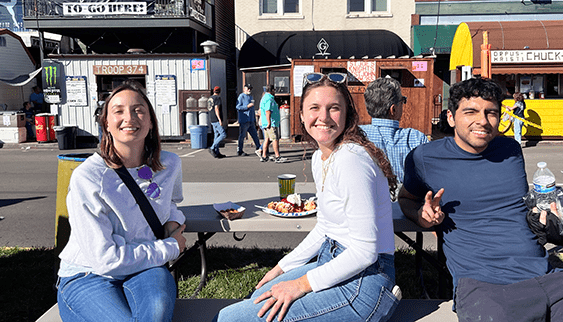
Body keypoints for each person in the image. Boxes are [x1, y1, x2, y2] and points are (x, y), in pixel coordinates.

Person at [398, 77, 563, 322]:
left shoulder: (511, 150)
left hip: (548, 276)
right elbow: (406, 198)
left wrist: (546, 218)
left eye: (491, 112)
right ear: (450, 117)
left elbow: (520, 205)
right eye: (470, 111)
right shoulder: (424, 158)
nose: (482, 121)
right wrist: (422, 215)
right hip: (485, 287)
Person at [213, 72, 401, 322]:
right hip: (334, 263)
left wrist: (300, 284)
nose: (323, 117)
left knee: (230, 319)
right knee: (255, 298)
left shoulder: (350, 159)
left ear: (347, 115)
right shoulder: (320, 157)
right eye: (314, 108)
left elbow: (365, 252)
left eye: (333, 108)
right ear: (301, 115)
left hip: (365, 284)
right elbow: (325, 228)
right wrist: (282, 267)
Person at [56, 80, 187, 322]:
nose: (130, 117)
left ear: (150, 122)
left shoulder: (170, 164)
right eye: (118, 111)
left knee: (156, 313)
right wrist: (169, 246)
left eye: (139, 110)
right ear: (106, 122)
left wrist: (173, 222)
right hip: (89, 274)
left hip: (145, 268)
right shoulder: (89, 177)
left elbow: (170, 203)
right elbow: (106, 259)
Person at [360, 77, 429, 199]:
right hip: (409, 206)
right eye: (403, 101)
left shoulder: (357, 135)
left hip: (367, 201)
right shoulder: (416, 138)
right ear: (393, 109)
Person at [259, 85, 286, 163]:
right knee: (275, 139)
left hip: (265, 122)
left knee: (266, 139)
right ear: (272, 90)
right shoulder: (269, 98)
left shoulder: (264, 98)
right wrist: (269, 122)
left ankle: (264, 156)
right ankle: (277, 156)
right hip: (271, 123)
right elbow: (268, 111)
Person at [236, 83, 262, 157]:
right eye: (248, 88)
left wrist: (255, 120)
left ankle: (259, 148)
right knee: (242, 136)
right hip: (244, 120)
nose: (249, 90)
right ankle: (239, 150)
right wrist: (247, 106)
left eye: (250, 88)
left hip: (251, 120)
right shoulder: (241, 96)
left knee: (255, 135)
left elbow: (252, 109)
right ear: (244, 89)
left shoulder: (251, 97)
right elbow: (238, 107)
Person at [208, 86, 226, 159]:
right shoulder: (217, 98)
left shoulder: (210, 98)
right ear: (219, 91)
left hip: (211, 119)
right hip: (216, 119)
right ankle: (212, 148)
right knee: (223, 134)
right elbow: (216, 109)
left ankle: (217, 152)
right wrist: (220, 119)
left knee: (216, 135)